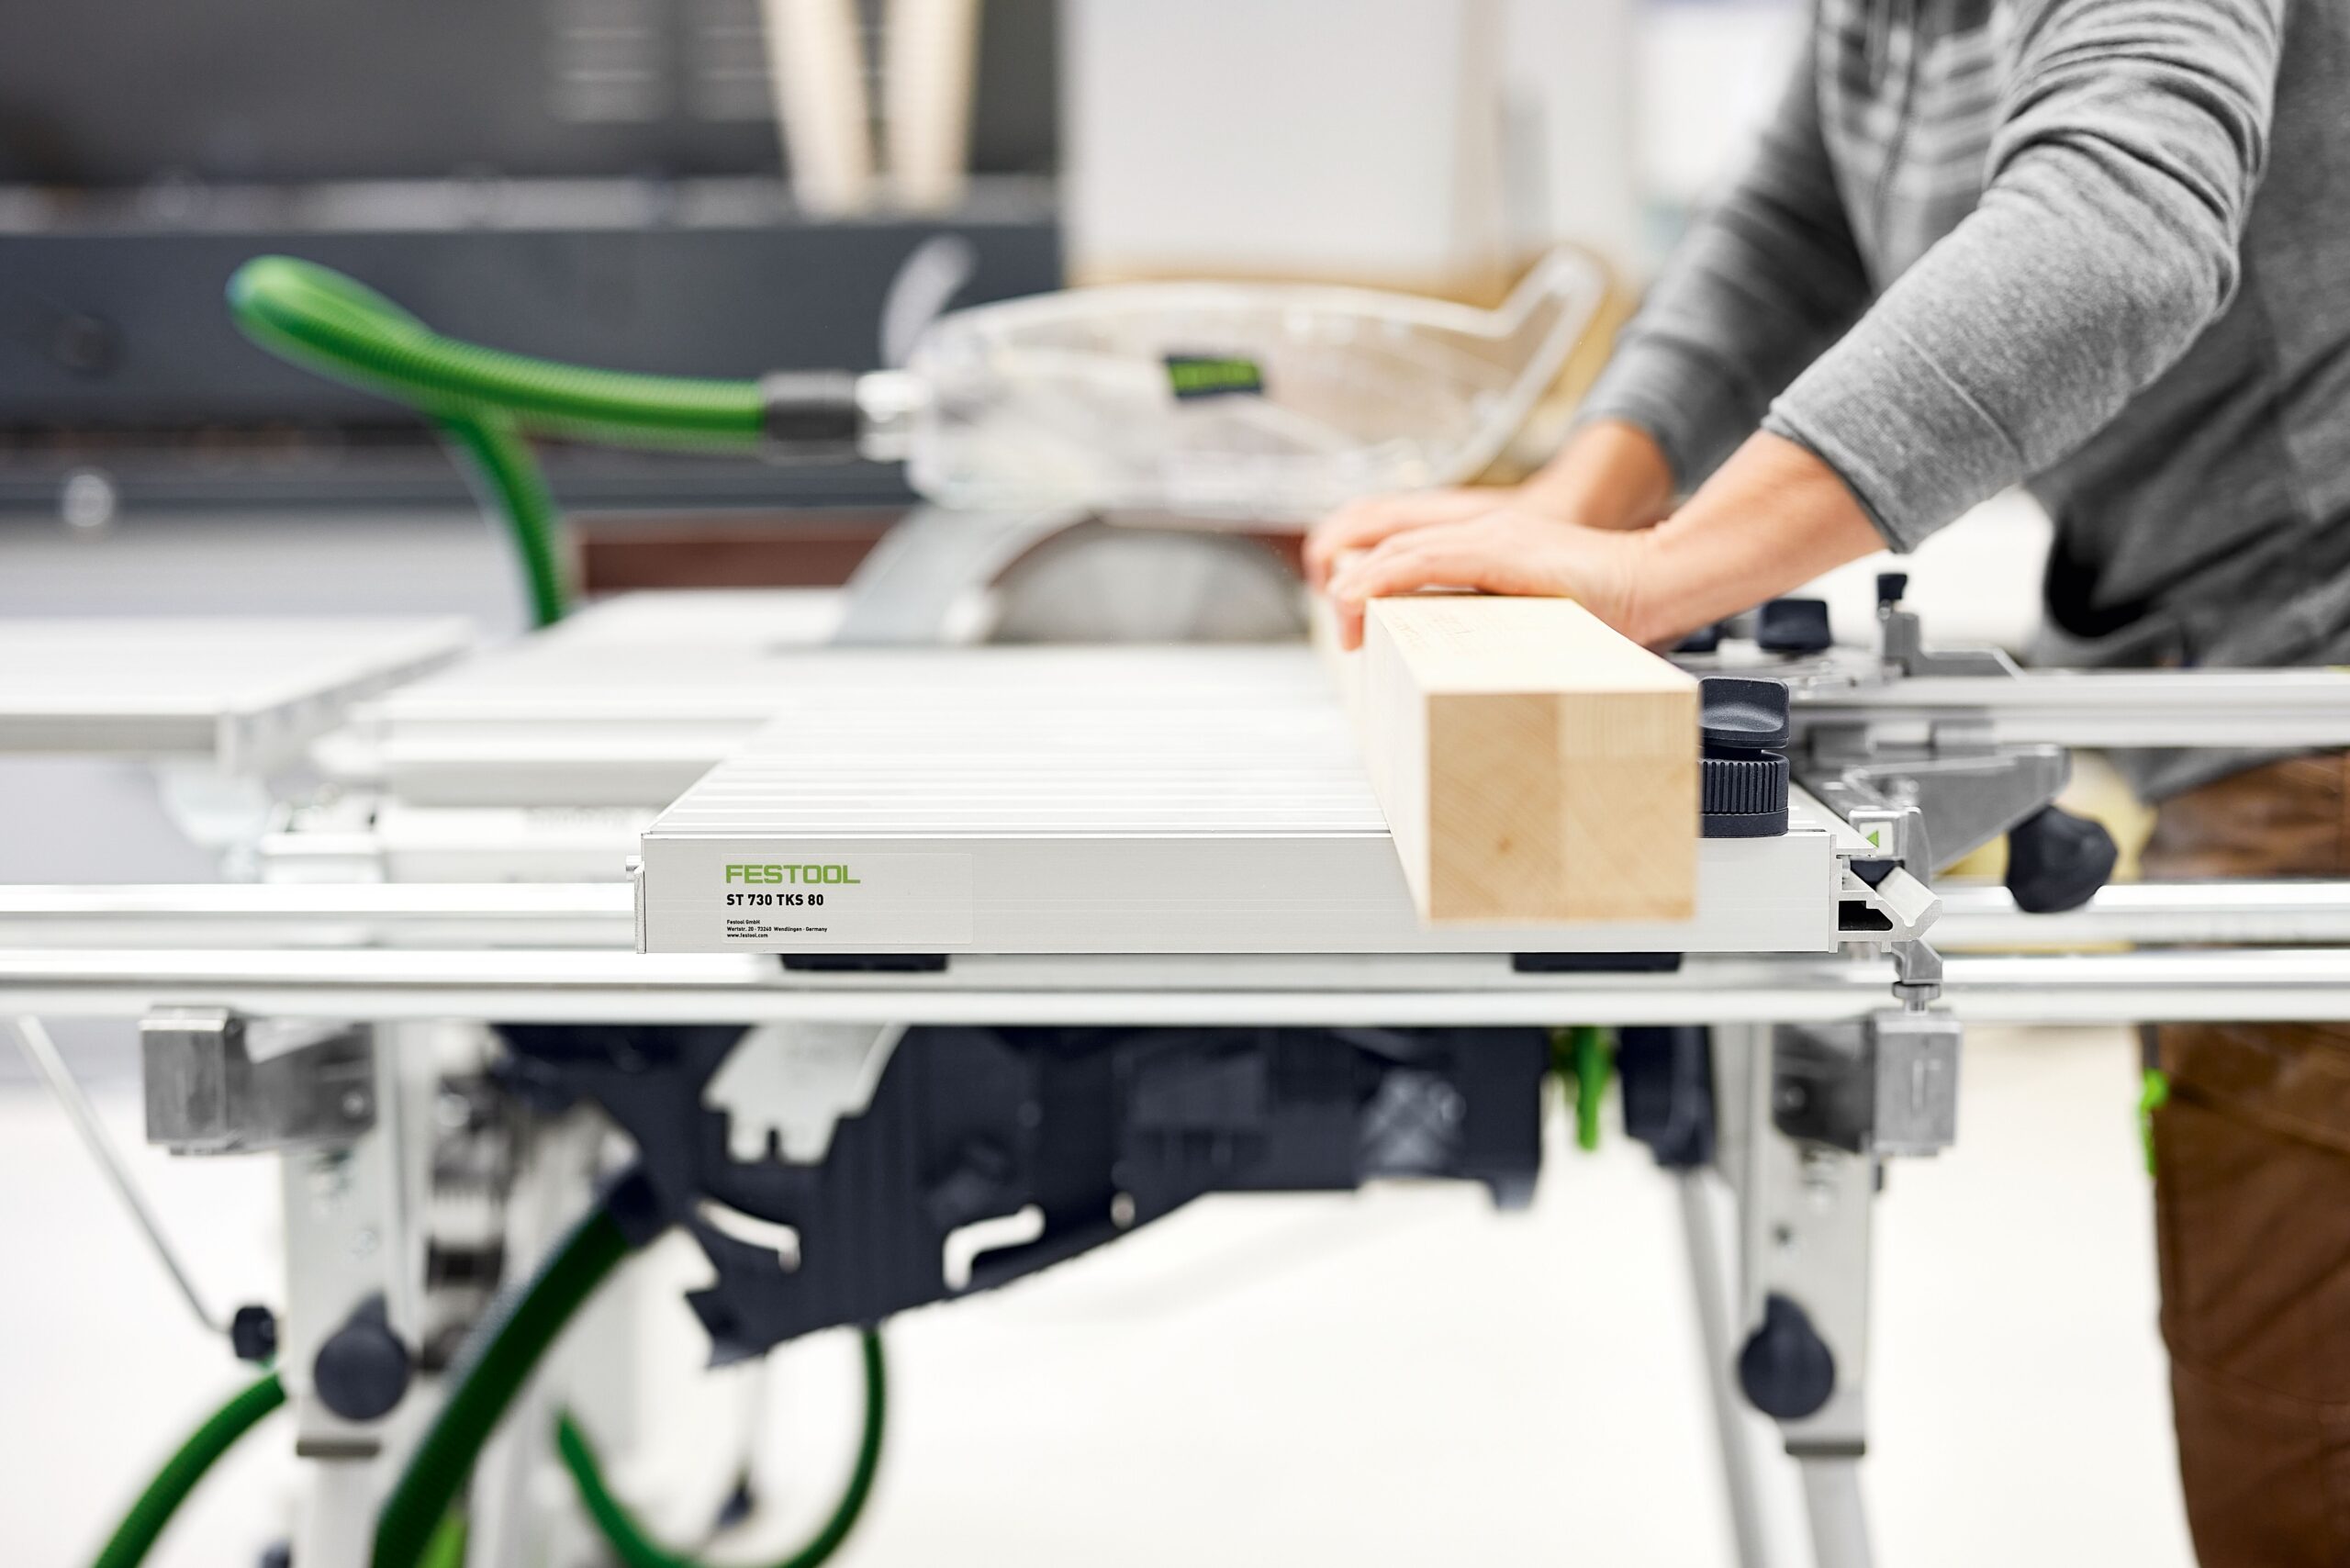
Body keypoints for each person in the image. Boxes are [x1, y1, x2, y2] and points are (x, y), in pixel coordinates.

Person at [1305, 1, 2350, 1561]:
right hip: (2244, 688)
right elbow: (1795, 227)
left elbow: (2121, 231)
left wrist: (1659, 576)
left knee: (2302, 1462)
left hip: (2315, 721)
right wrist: (1574, 503)